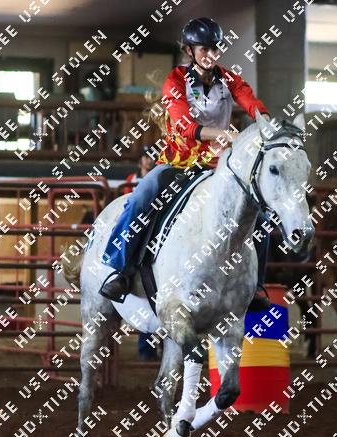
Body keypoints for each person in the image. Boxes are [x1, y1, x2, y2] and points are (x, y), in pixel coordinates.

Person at [98, 17, 273, 311]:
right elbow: (185, 127)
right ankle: (121, 271)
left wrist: (265, 122)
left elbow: (250, 101)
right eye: (204, 49)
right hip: (178, 162)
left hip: (219, 164)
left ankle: (254, 286)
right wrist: (226, 135)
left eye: (215, 48)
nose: (211, 54)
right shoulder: (175, 80)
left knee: (260, 217)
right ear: (189, 50)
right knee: (142, 196)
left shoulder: (229, 79)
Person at [123, 144, 160, 360]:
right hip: (139, 222)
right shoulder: (131, 180)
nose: (148, 159)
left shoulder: (159, 176)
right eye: (145, 156)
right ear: (140, 161)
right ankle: (120, 270)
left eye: (151, 156)